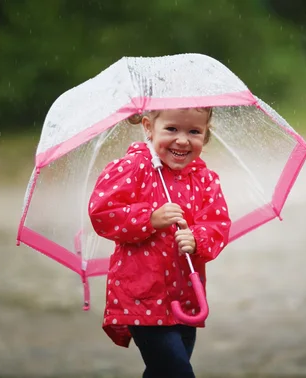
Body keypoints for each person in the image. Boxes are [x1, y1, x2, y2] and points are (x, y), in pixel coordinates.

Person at [88, 107, 231, 378]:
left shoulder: (204, 179)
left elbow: (217, 223)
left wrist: (197, 239)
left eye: (194, 131)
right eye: (172, 129)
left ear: (205, 134)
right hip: (142, 296)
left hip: (185, 294)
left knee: (162, 371)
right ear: (148, 127)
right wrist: (149, 219)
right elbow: (103, 212)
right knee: (176, 370)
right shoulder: (134, 168)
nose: (182, 140)